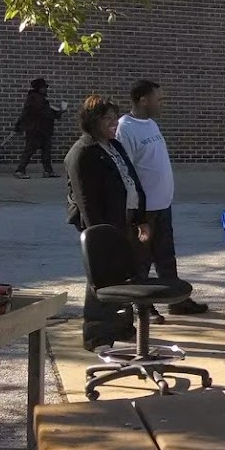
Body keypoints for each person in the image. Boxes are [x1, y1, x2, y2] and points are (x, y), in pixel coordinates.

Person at [117, 80, 208, 322]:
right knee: (141, 260)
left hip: (162, 204)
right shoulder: (125, 128)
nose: (162, 103)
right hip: (143, 209)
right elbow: (125, 171)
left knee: (166, 256)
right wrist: (134, 210)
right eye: (159, 98)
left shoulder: (151, 124)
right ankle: (142, 306)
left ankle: (176, 301)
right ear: (143, 100)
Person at [64, 95, 147, 351]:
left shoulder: (114, 145)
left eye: (115, 118)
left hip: (125, 220)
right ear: (92, 121)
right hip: (101, 227)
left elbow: (131, 179)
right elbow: (86, 200)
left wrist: (141, 218)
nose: (114, 123)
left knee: (123, 277)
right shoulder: (82, 153)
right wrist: (101, 237)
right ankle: (97, 334)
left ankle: (121, 327)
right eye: (107, 119)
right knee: (101, 279)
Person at [14, 78, 65, 179]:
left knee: (45, 150)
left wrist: (19, 125)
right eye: (43, 87)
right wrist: (59, 112)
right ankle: (20, 170)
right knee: (31, 150)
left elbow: (25, 113)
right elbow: (46, 113)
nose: (45, 89)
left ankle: (48, 171)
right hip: (36, 129)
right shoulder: (37, 99)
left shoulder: (34, 98)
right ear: (39, 88)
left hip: (39, 129)